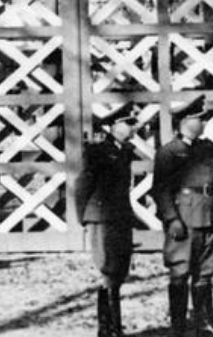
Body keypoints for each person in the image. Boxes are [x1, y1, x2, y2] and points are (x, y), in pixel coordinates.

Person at [152, 107, 213, 337]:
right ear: (186, 121)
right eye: (200, 118)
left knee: (205, 272)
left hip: (210, 217)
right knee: (180, 271)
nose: (204, 122)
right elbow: (160, 190)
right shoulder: (169, 152)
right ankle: (178, 328)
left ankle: (204, 325)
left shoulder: (206, 149)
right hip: (184, 220)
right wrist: (172, 219)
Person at [75, 118, 136, 337]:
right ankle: (110, 329)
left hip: (120, 216)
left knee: (119, 270)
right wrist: (84, 216)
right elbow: (82, 184)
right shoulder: (97, 151)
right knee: (108, 269)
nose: (133, 128)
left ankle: (110, 327)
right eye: (128, 124)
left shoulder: (126, 151)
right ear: (113, 128)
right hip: (102, 216)